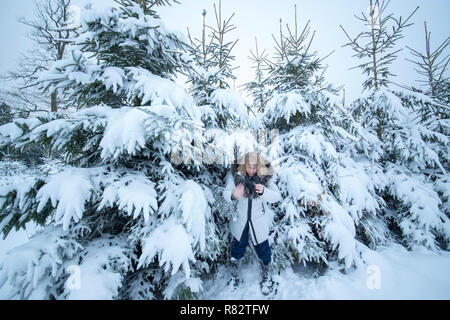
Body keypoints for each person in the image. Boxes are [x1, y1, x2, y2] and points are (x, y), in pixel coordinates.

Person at [222, 151, 281, 295]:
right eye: (248, 167)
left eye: (254, 167)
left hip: (258, 221)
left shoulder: (266, 178)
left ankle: (266, 276)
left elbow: (276, 196)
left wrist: (264, 192)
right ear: (243, 165)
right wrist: (233, 195)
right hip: (240, 220)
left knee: (263, 248)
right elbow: (226, 193)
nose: (251, 170)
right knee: (237, 247)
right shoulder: (235, 176)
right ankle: (235, 275)